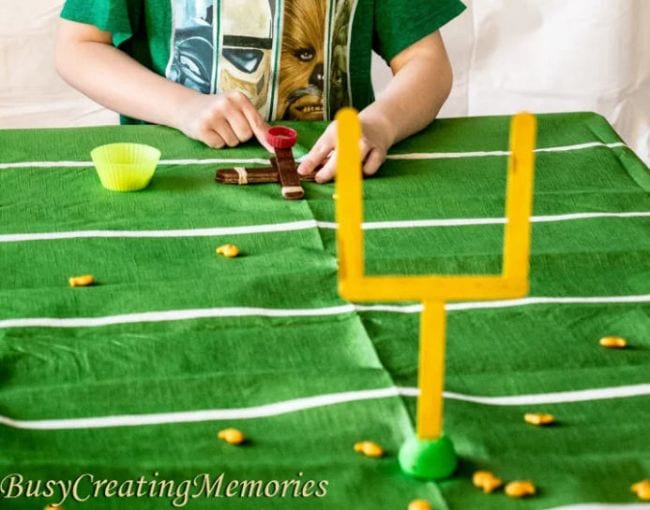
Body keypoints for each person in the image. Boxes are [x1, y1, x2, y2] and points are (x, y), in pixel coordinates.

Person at [56, 0, 465, 183]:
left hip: (335, 174)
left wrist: (379, 124)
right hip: (178, 175)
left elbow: (426, 62)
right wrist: (183, 107)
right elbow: (78, 47)